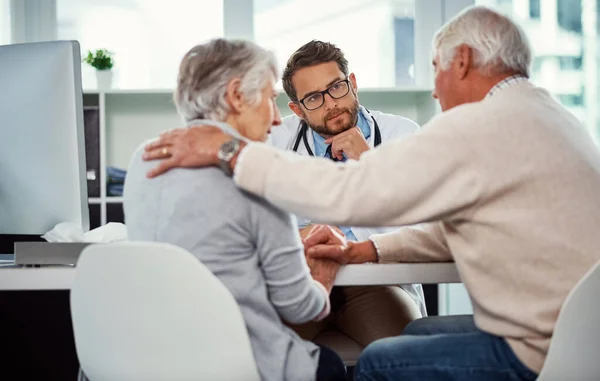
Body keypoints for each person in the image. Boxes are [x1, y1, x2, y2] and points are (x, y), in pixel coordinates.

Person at [140, 5, 600, 381]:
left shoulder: (478, 125)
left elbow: (350, 193)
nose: (436, 92)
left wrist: (229, 149)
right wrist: (364, 249)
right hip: (578, 335)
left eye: (437, 69)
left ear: (461, 62)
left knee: (381, 362)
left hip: (540, 349)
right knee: (416, 339)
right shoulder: (546, 115)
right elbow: (450, 229)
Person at [123, 38, 347, 381]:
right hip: (235, 365)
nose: (276, 120)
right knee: (331, 364)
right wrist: (322, 275)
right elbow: (299, 307)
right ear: (236, 95)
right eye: (272, 100)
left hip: (150, 359)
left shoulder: (143, 158)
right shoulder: (255, 173)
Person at [268, 40, 426, 347]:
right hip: (301, 284)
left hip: (377, 284)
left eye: (336, 88)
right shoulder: (275, 142)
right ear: (297, 109)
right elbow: (259, 226)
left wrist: (370, 163)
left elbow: (421, 230)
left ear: (352, 83)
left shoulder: (405, 136)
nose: (331, 104)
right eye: (314, 98)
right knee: (260, 353)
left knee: (406, 355)